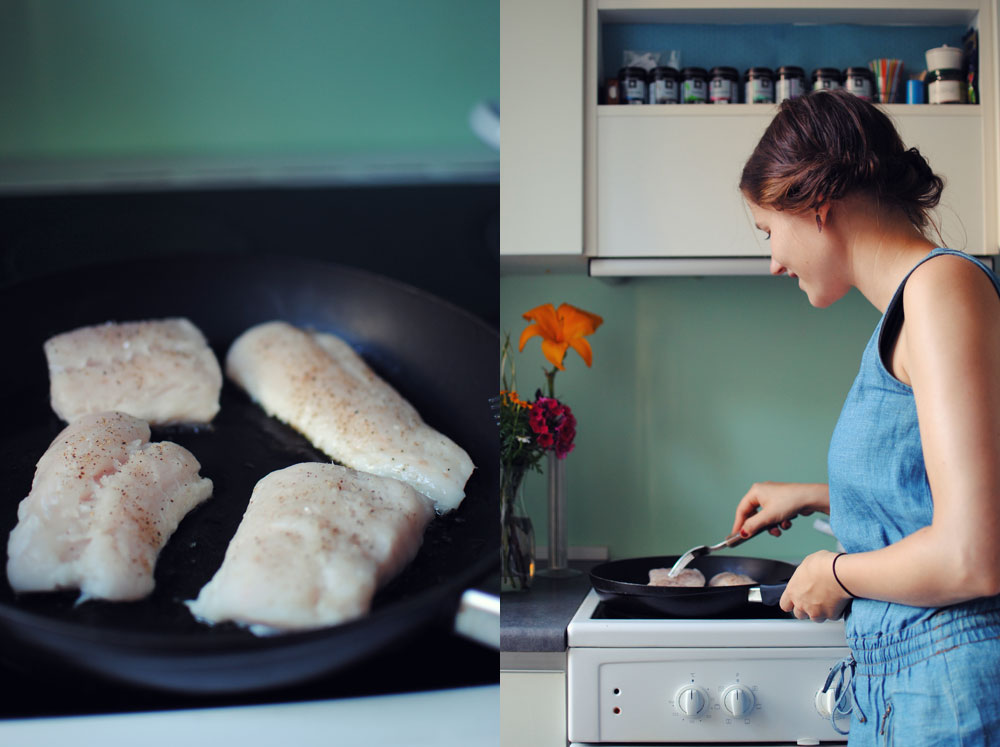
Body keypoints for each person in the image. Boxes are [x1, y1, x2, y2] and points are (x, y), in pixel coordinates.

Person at [731, 88, 1000, 744]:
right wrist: (823, 496)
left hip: (947, 684)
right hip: (907, 684)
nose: (773, 262)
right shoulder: (913, 308)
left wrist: (836, 570)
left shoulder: (941, 290)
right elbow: (935, 490)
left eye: (770, 232)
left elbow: (973, 556)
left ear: (816, 205)